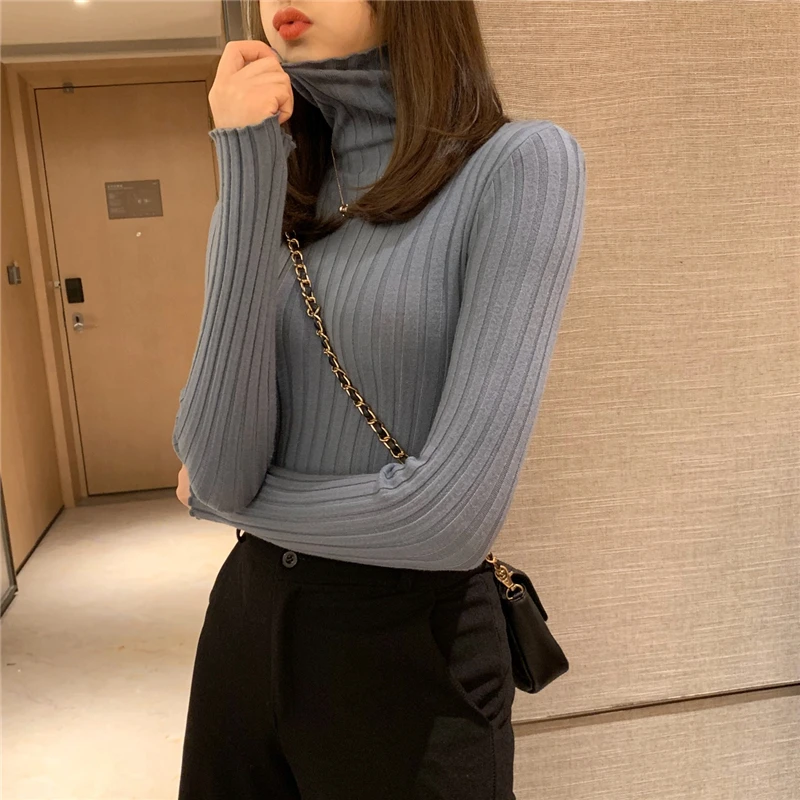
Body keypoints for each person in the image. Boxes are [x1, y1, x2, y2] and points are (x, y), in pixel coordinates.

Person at [172, 1, 587, 797]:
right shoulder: (274, 184)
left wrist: (221, 503)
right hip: (247, 627)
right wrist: (247, 162)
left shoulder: (520, 166)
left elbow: (451, 521)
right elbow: (221, 467)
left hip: (411, 651)